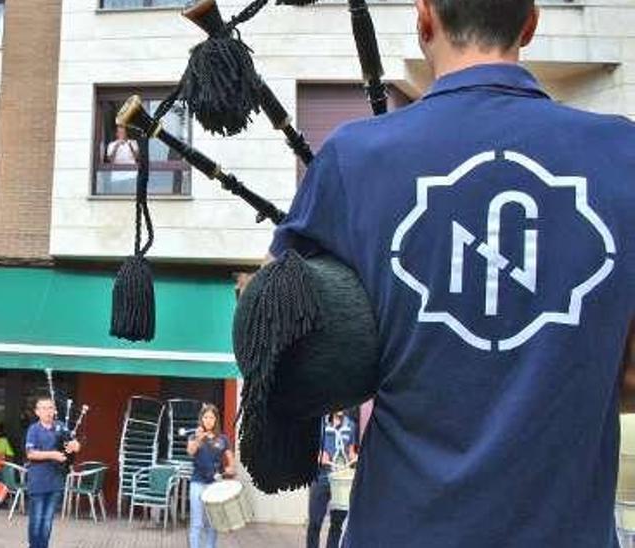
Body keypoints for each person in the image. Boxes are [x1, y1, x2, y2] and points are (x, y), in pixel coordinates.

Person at [266, 1, 635, 545]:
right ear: (530, 23)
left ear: (424, 19)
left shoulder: (355, 156)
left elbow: (273, 333)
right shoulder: (623, 154)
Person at [24, 397, 79, 548]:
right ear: (37, 412)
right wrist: (52, 455)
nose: (47, 411)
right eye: (43, 408)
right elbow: (30, 454)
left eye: (50, 408)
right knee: (36, 521)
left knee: (47, 521)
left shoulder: (61, 427)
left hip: (56, 481)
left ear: (55, 411)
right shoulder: (33, 429)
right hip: (38, 482)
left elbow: (72, 443)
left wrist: (75, 445)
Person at [305, 411, 357, 548]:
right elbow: (309, 449)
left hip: (340, 480)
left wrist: (354, 457)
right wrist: (319, 456)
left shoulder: (350, 426)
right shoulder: (320, 424)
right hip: (321, 478)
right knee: (315, 522)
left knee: (337, 524)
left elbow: (350, 451)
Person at [187, 404, 234, 548]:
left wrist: (230, 468)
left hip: (214, 485)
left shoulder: (223, 439)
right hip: (197, 483)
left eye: (211, 417)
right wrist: (198, 439)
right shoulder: (194, 436)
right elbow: (190, 451)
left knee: (212, 523)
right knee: (197, 523)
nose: (208, 420)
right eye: (205, 417)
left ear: (216, 420)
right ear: (201, 419)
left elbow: (231, 461)